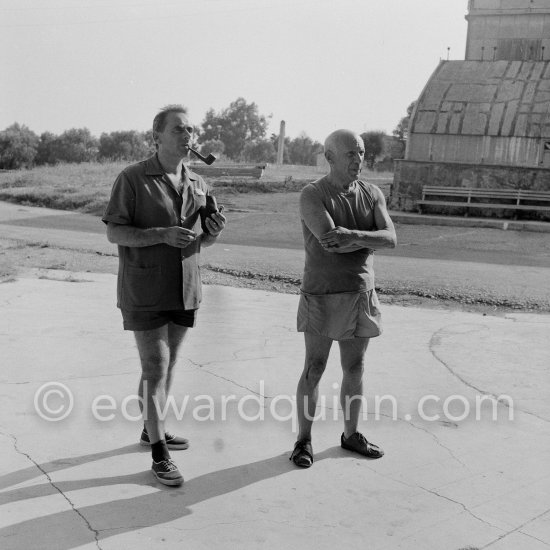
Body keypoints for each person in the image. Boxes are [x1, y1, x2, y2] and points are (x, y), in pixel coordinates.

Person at [102, 104, 226, 486]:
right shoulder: (133, 178)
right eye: (179, 130)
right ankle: (159, 455)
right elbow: (115, 233)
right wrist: (161, 234)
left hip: (185, 287)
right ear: (157, 137)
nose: (188, 136)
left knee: (168, 366)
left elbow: (204, 237)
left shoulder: (199, 184)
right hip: (144, 288)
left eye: (191, 130)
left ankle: (150, 429)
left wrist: (214, 230)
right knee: (154, 367)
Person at [290, 129, 396, 468]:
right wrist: (368, 239)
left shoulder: (373, 192)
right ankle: (303, 440)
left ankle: (351, 435)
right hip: (322, 293)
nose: (358, 160)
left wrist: (353, 235)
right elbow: (328, 241)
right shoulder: (312, 194)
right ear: (330, 157)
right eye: (350, 153)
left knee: (355, 367)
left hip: (360, 293)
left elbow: (391, 237)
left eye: (361, 153)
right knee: (314, 368)